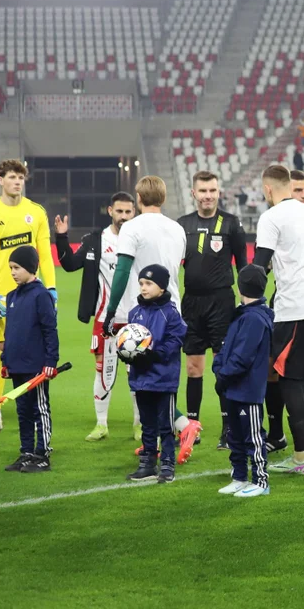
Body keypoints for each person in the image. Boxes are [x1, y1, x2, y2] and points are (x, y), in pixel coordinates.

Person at [102, 176, 198, 462]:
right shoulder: (178, 229)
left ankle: (181, 428)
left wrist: (110, 311)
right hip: (172, 309)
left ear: (139, 199)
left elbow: (121, 272)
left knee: (144, 378)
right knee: (162, 375)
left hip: (144, 313)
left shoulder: (131, 228)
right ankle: (157, 439)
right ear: (163, 198)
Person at [0, 159, 56, 436]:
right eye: (11, 177)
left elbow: (44, 253)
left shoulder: (36, 212)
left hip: (31, 295)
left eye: (21, 177)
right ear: (1, 180)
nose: (17, 182)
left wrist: (51, 289)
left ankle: (31, 409)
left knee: (32, 354)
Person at [253, 165, 304, 474]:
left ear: (268, 189)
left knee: (290, 380)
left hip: (291, 309)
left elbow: (259, 266)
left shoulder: (270, 218)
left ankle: (302, 457)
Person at [55, 192, 137, 442]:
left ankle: (139, 424)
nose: (123, 217)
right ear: (110, 211)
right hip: (105, 319)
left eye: (128, 212)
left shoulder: (140, 239)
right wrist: (61, 236)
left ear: (134, 212)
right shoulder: (96, 240)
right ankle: (101, 424)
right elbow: (69, 264)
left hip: (136, 317)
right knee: (103, 371)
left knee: (137, 374)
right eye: (119, 211)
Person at [178, 171, 248, 449]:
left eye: (213, 190)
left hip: (222, 303)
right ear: (193, 193)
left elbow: (243, 265)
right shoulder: (182, 224)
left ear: (219, 192)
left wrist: (247, 300)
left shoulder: (231, 224)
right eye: (203, 191)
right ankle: (191, 428)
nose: (208, 195)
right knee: (194, 368)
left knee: (222, 367)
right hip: (192, 303)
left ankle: (228, 428)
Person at [212, 264, 274, 498]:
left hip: (247, 389)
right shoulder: (242, 316)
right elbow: (226, 348)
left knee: (253, 437)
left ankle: (261, 480)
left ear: (240, 287)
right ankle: (239, 476)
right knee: (235, 437)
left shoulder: (254, 319)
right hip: (232, 387)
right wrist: (219, 370)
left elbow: (242, 356)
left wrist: (223, 376)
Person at [125, 264, 188, 485]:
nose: (143, 287)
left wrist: (154, 355)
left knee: (166, 425)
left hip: (163, 380)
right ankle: (148, 463)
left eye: (149, 283)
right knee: (147, 423)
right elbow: (127, 341)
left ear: (161, 287)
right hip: (141, 379)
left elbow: (176, 339)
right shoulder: (135, 312)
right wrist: (127, 355)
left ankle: (168, 464)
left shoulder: (171, 313)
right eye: (141, 283)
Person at [0, 246, 59, 474]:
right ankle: (26, 452)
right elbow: (9, 332)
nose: (13, 272)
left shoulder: (41, 295)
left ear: (31, 268)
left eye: (17, 268)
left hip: (36, 366)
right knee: (22, 410)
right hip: (16, 365)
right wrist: (6, 360)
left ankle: (42, 454)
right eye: (11, 268)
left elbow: (50, 330)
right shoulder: (12, 296)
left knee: (39, 409)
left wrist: (51, 362)